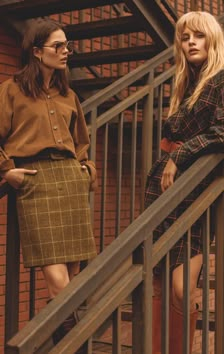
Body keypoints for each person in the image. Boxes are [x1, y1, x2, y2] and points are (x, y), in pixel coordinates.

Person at [0, 19, 97, 352]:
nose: (66, 51)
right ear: (37, 51)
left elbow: (81, 140)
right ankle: (78, 347)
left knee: (73, 280)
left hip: (70, 181)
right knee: (59, 284)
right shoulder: (11, 89)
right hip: (36, 183)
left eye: (67, 45)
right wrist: (7, 170)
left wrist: (87, 169)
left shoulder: (68, 93)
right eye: (59, 46)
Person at [144, 11, 224, 354]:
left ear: (212, 39)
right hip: (164, 189)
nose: (191, 42)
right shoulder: (189, 83)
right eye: (185, 38)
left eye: (198, 36)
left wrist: (180, 156)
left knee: (182, 287)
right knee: (159, 284)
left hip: (192, 190)